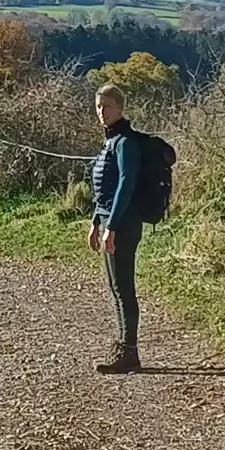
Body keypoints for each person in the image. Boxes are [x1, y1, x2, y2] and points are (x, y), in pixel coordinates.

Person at [87, 82, 143, 374]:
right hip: (110, 220)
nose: (101, 112)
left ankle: (128, 352)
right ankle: (123, 346)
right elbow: (105, 188)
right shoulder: (111, 141)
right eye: (98, 106)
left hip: (124, 223)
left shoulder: (125, 142)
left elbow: (125, 184)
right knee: (114, 287)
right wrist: (97, 222)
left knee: (123, 289)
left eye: (107, 106)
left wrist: (114, 227)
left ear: (120, 107)